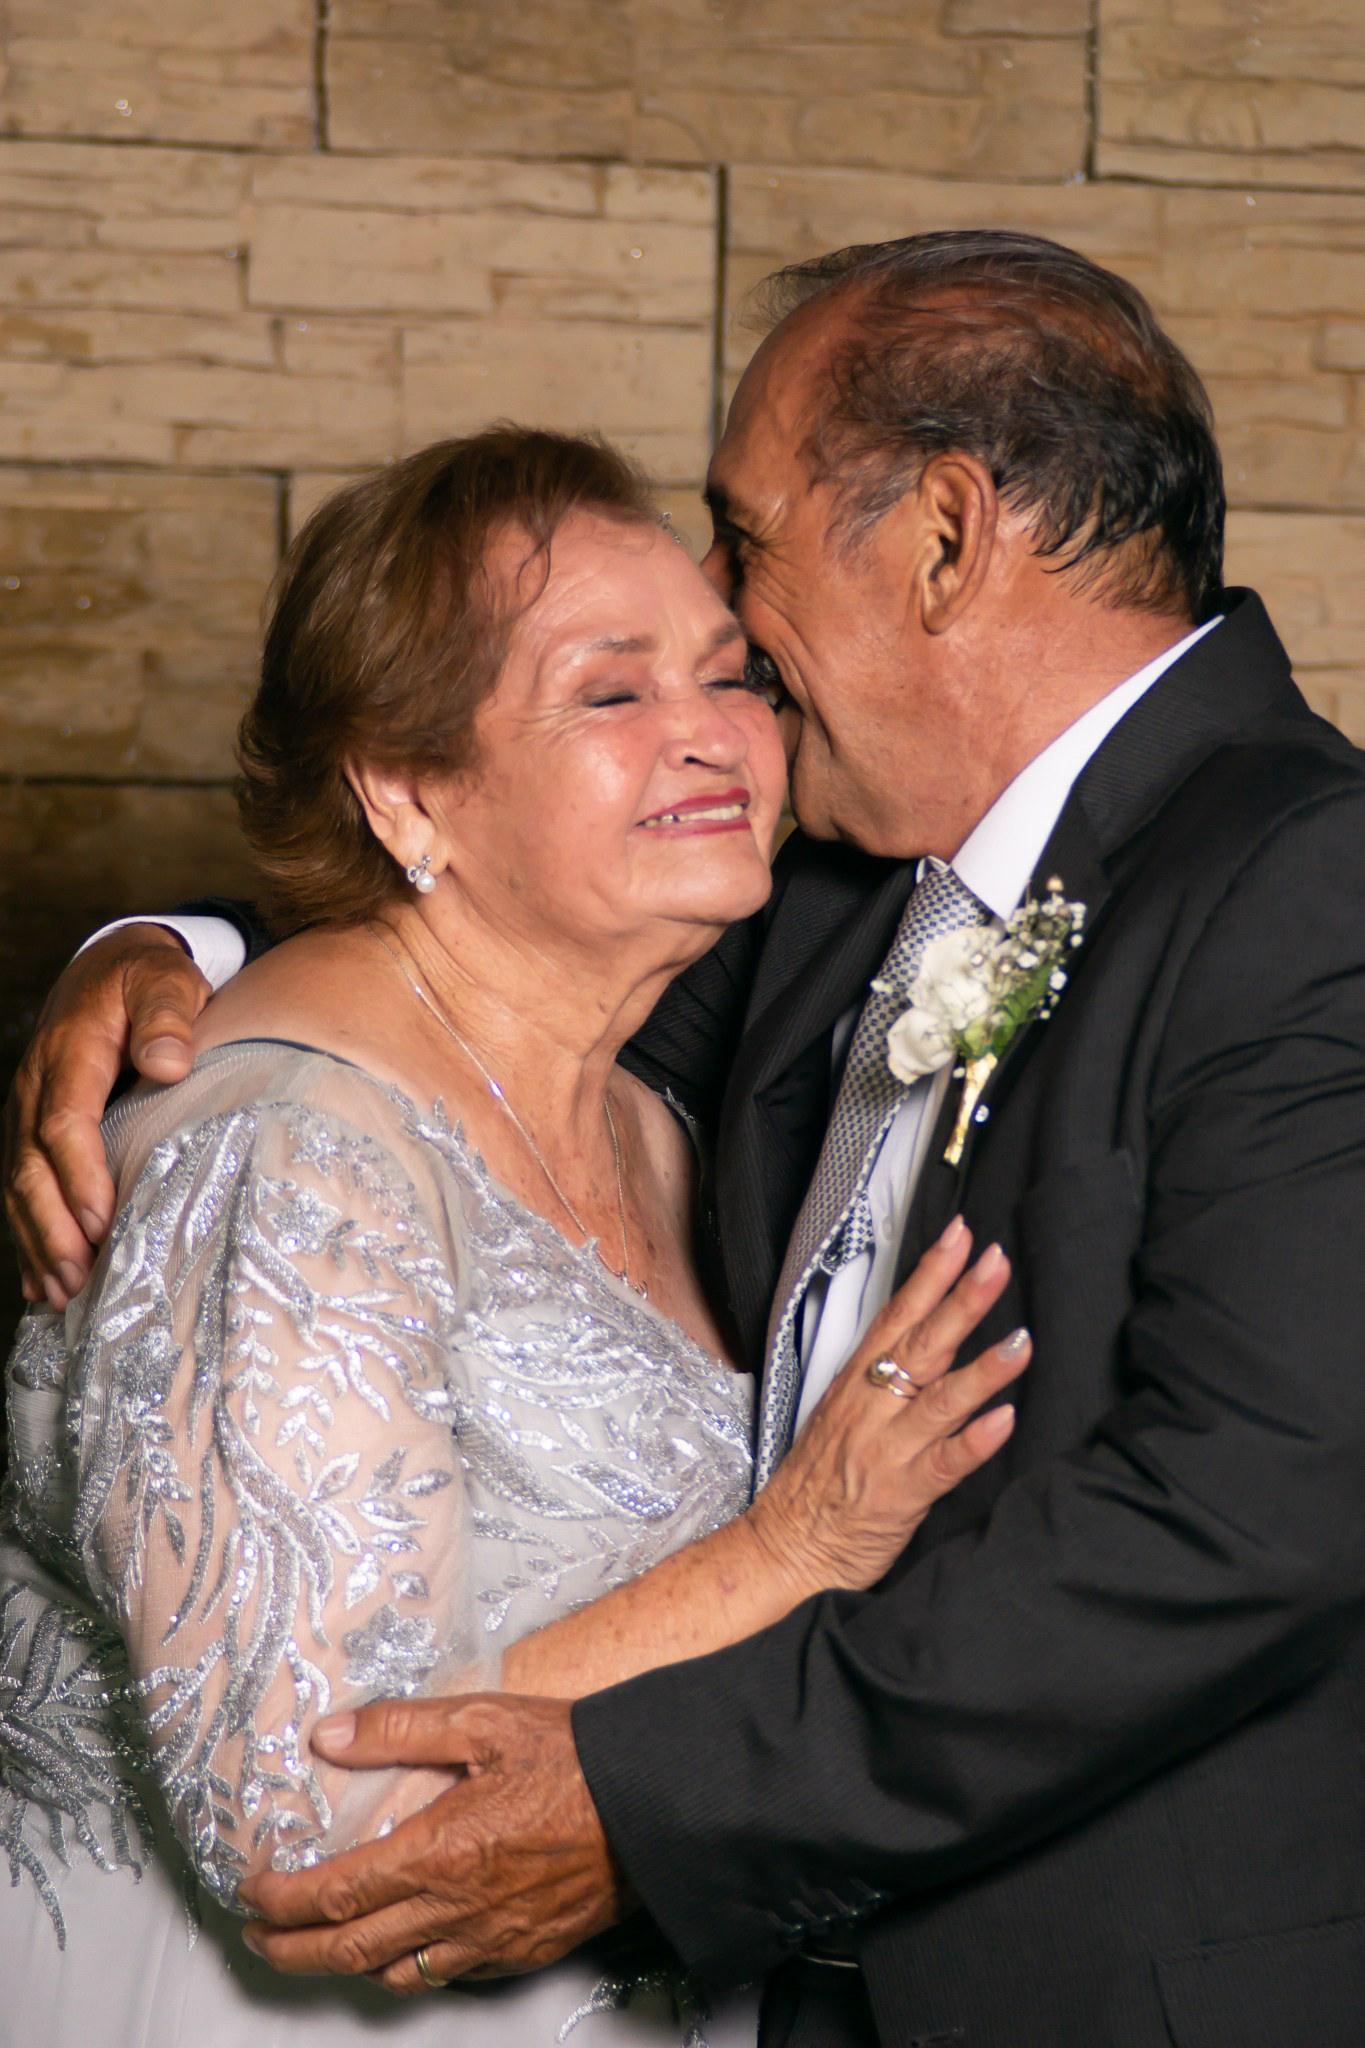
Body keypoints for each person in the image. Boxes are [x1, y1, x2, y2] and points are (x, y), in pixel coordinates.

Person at [11, 226, 1365, 2045]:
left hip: (1096, 1994)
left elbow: (1247, 1510)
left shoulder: (1308, 877)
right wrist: (159, 957)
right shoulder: (827, 887)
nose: (727, 672)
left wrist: (662, 1798)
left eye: (745, 541)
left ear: (946, 537)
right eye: (632, 668)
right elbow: (470, 948)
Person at [0, 426, 1029, 2048]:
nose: (714, 740)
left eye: (728, 675)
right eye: (612, 695)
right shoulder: (281, 1159)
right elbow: (310, 1828)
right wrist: (794, 1548)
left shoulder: (665, 1116)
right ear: (408, 788)